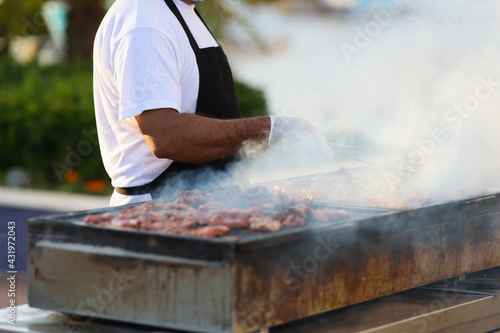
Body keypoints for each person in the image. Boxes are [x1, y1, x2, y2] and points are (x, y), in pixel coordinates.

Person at [93, 0, 333, 207]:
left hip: (205, 204)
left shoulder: (182, 10)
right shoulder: (144, 24)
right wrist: (269, 129)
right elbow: (166, 136)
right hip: (158, 211)